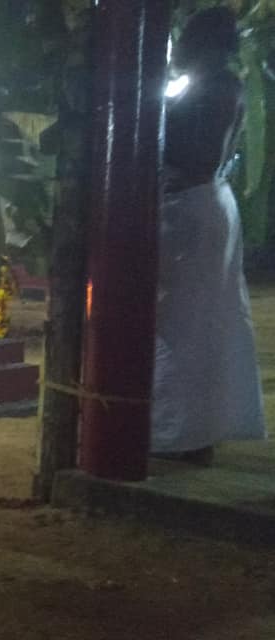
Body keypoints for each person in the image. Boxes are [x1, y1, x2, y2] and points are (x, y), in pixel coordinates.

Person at [152, 7, 266, 464]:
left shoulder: (209, 89)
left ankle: (182, 433)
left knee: (180, 321)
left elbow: (191, 155)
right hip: (209, 203)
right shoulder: (226, 85)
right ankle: (195, 429)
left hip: (191, 207)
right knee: (206, 320)